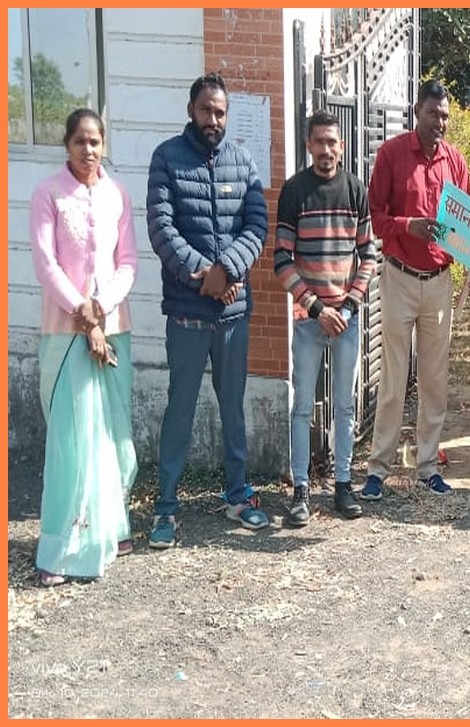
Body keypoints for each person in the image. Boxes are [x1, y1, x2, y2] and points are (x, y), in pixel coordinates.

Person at [147, 72, 269, 547]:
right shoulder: (167, 159)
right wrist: (206, 276)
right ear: (190, 109)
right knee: (180, 409)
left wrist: (229, 270)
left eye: (220, 112)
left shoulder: (242, 162)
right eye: (205, 110)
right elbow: (162, 229)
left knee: (233, 408)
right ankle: (166, 507)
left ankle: (237, 494)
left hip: (233, 313)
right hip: (187, 314)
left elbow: (256, 224)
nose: (213, 119)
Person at [30, 108, 138, 584]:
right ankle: (65, 548)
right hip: (66, 330)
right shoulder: (47, 194)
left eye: (96, 142)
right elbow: (45, 263)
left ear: (104, 145)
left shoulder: (117, 194)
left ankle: (111, 529)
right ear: (67, 145)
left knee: (114, 435)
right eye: (80, 141)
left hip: (114, 326)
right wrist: (83, 313)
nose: (89, 150)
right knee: (74, 439)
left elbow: (128, 262)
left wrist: (101, 308)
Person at [365, 79, 470, 499]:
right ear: (417, 112)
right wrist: (408, 225)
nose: (440, 122)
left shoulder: (455, 162)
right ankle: (379, 468)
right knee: (393, 379)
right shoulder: (391, 155)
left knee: (434, 379)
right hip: (399, 277)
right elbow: (375, 217)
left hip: (439, 282)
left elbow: (464, 226)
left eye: (445, 115)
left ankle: (428, 465)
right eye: (433, 114)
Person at [274, 110, 377, 525]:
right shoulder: (294, 191)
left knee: (345, 406)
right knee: (302, 406)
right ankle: (301, 491)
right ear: (308, 145)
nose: (327, 150)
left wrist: (348, 306)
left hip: (347, 317)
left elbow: (369, 254)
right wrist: (317, 309)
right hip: (308, 318)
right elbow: (281, 259)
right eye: (319, 142)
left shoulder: (355, 190)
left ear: (342, 145)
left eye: (333, 142)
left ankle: (342, 485)